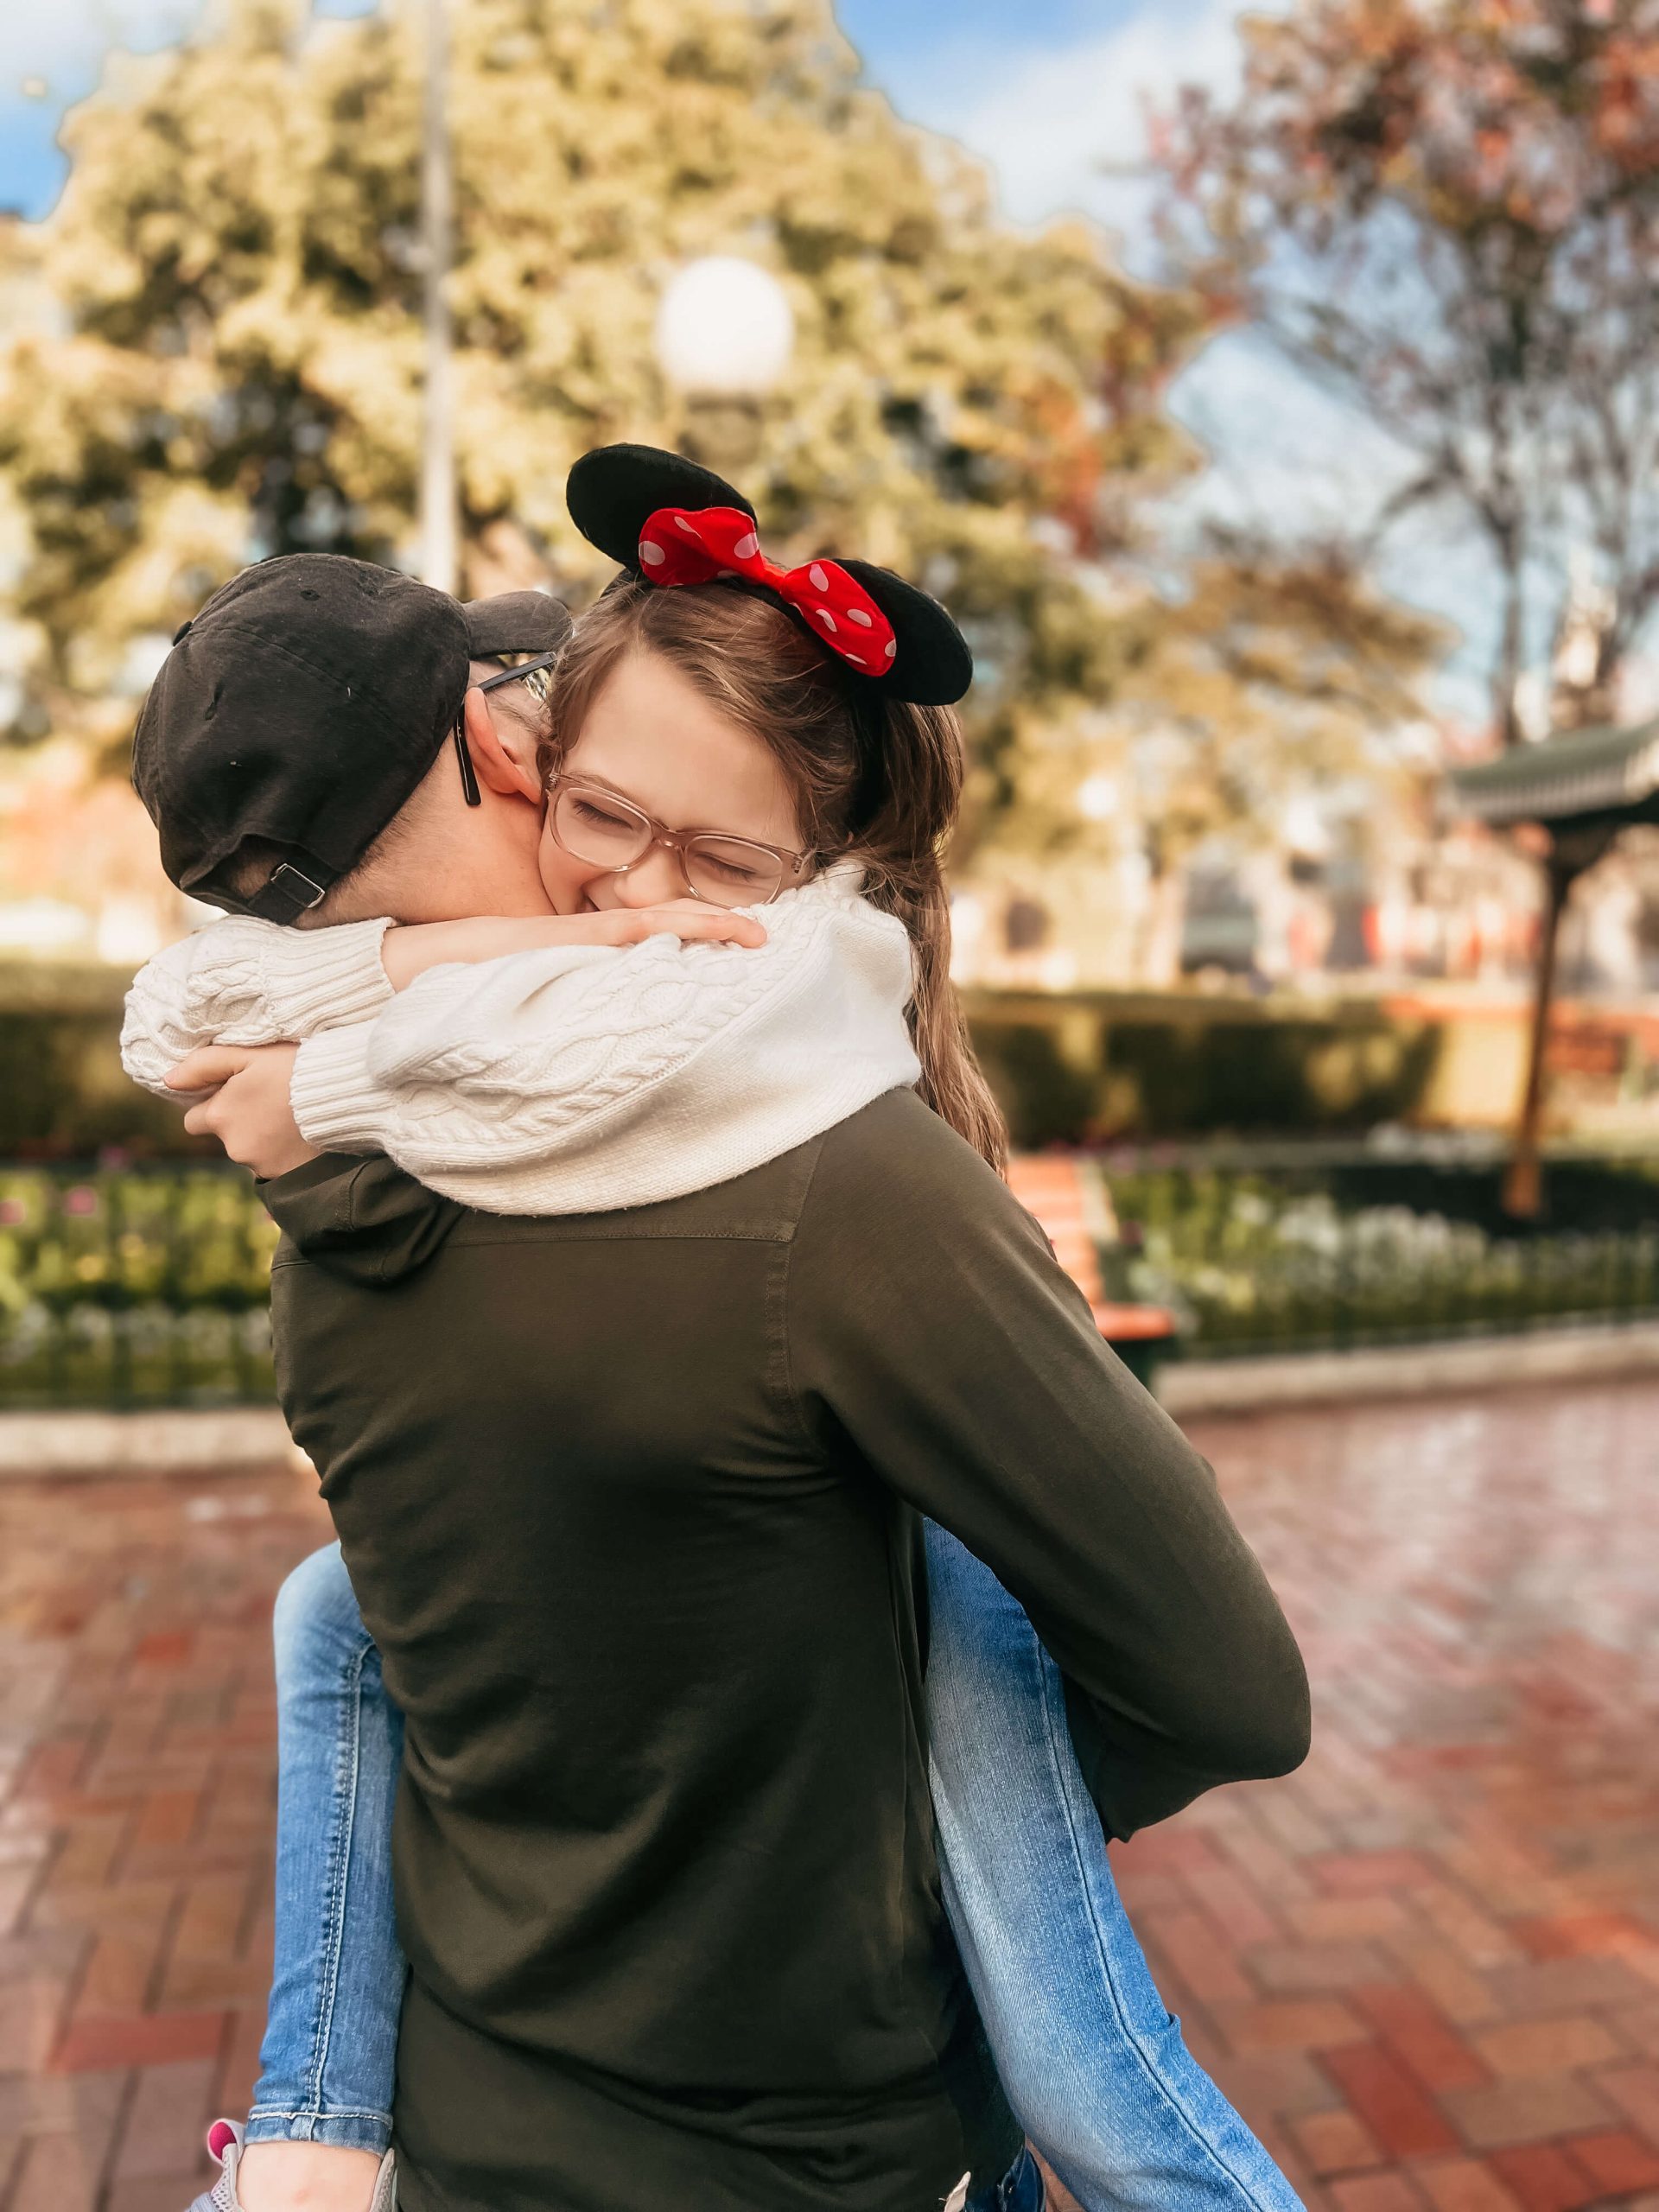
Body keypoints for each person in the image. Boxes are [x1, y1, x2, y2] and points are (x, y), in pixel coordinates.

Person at [124, 449, 1311, 2212]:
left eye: (722, 854)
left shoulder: (319, 1193)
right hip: (812, 2142)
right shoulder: (840, 1187)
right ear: (524, 755)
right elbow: (1233, 1688)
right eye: (602, 815)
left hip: (472, 2113)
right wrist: (923, 1845)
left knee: (332, 1613)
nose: (631, 894)